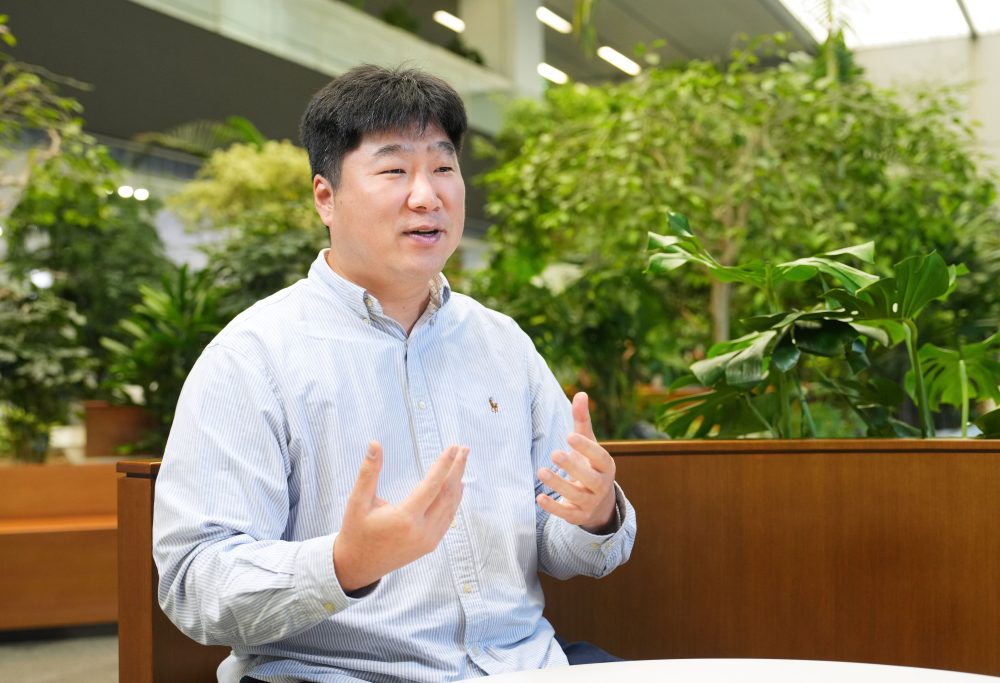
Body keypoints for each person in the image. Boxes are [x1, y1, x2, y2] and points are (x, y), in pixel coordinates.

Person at [152, 64, 637, 683]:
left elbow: (562, 546)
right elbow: (194, 582)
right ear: (325, 198)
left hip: (522, 665)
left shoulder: (503, 345)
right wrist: (343, 564)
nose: (427, 196)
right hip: (336, 673)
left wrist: (594, 514)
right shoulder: (252, 357)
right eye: (394, 170)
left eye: (443, 167)